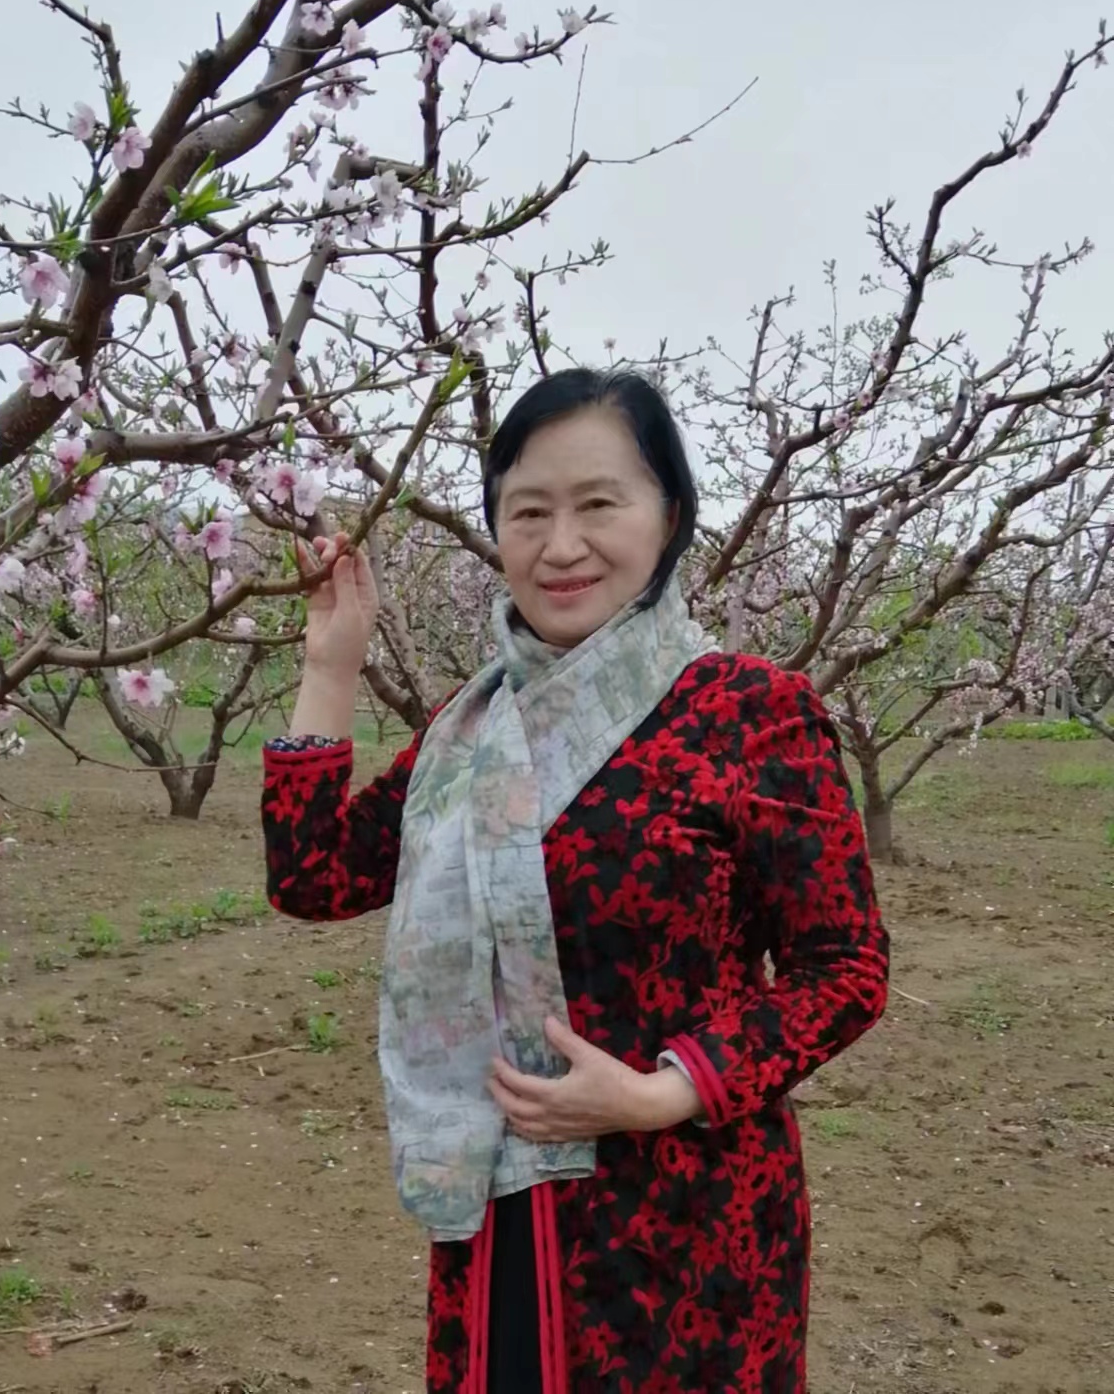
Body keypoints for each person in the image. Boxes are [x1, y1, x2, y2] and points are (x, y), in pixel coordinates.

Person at [261, 367, 890, 1394]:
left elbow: (844, 968)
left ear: (667, 516)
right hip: (498, 1204)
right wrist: (331, 668)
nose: (561, 546)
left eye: (599, 504)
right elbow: (314, 875)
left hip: (686, 1220)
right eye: (528, 513)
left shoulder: (748, 711)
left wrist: (660, 1092)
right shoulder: (476, 732)